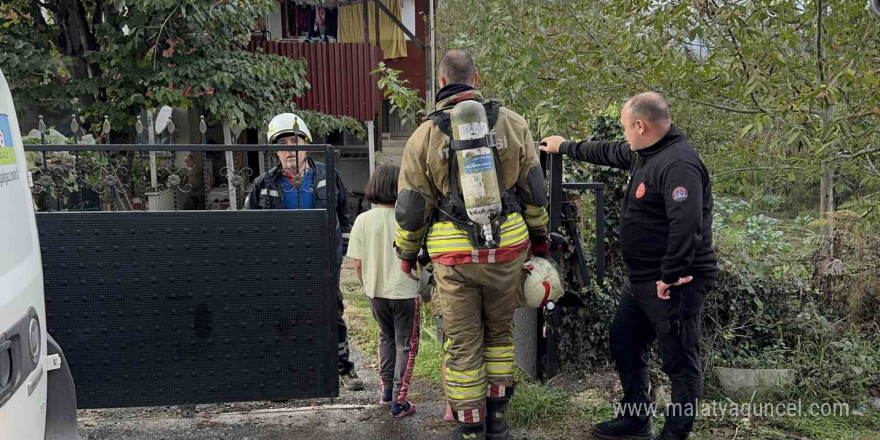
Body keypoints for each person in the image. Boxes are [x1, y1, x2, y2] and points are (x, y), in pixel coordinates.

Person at [540, 92, 718, 440]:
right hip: (642, 281)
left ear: (641, 125)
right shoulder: (646, 153)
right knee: (624, 339)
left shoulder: (678, 163)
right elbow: (608, 151)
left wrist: (669, 276)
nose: (624, 135)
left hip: (673, 282)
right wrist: (565, 147)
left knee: (679, 361)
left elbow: (687, 225)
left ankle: (675, 434)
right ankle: (636, 419)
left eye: (625, 127)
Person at [395, 49, 549, 440]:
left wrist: (406, 254)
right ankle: (498, 420)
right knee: (500, 336)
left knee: (463, 344)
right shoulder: (514, 124)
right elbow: (534, 192)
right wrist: (541, 240)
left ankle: (469, 429)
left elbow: (412, 209)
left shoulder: (424, 135)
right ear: (476, 80)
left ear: (442, 83)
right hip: (507, 250)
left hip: (454, 256)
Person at [245, 112, 364, 391]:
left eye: (294, 141)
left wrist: (340, 251)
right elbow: (249, 225)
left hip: (323, 260)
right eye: (283, 143)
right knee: (281, 316)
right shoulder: (264, 183)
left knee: (331, 312)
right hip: (281, 264)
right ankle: (283, 376)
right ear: (276, 150)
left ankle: (342, 368)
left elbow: (344, 215)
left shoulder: (327, 174)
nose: (290, 149)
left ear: (306, 144)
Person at [346, 164, 419, 418]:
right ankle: (399, 401)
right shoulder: (409, 219)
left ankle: (387, 392)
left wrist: (367, 286)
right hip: (406, 291)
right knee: (405, 345)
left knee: (386, 339)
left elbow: (356, 262)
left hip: (376, 292)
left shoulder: (363, 220)